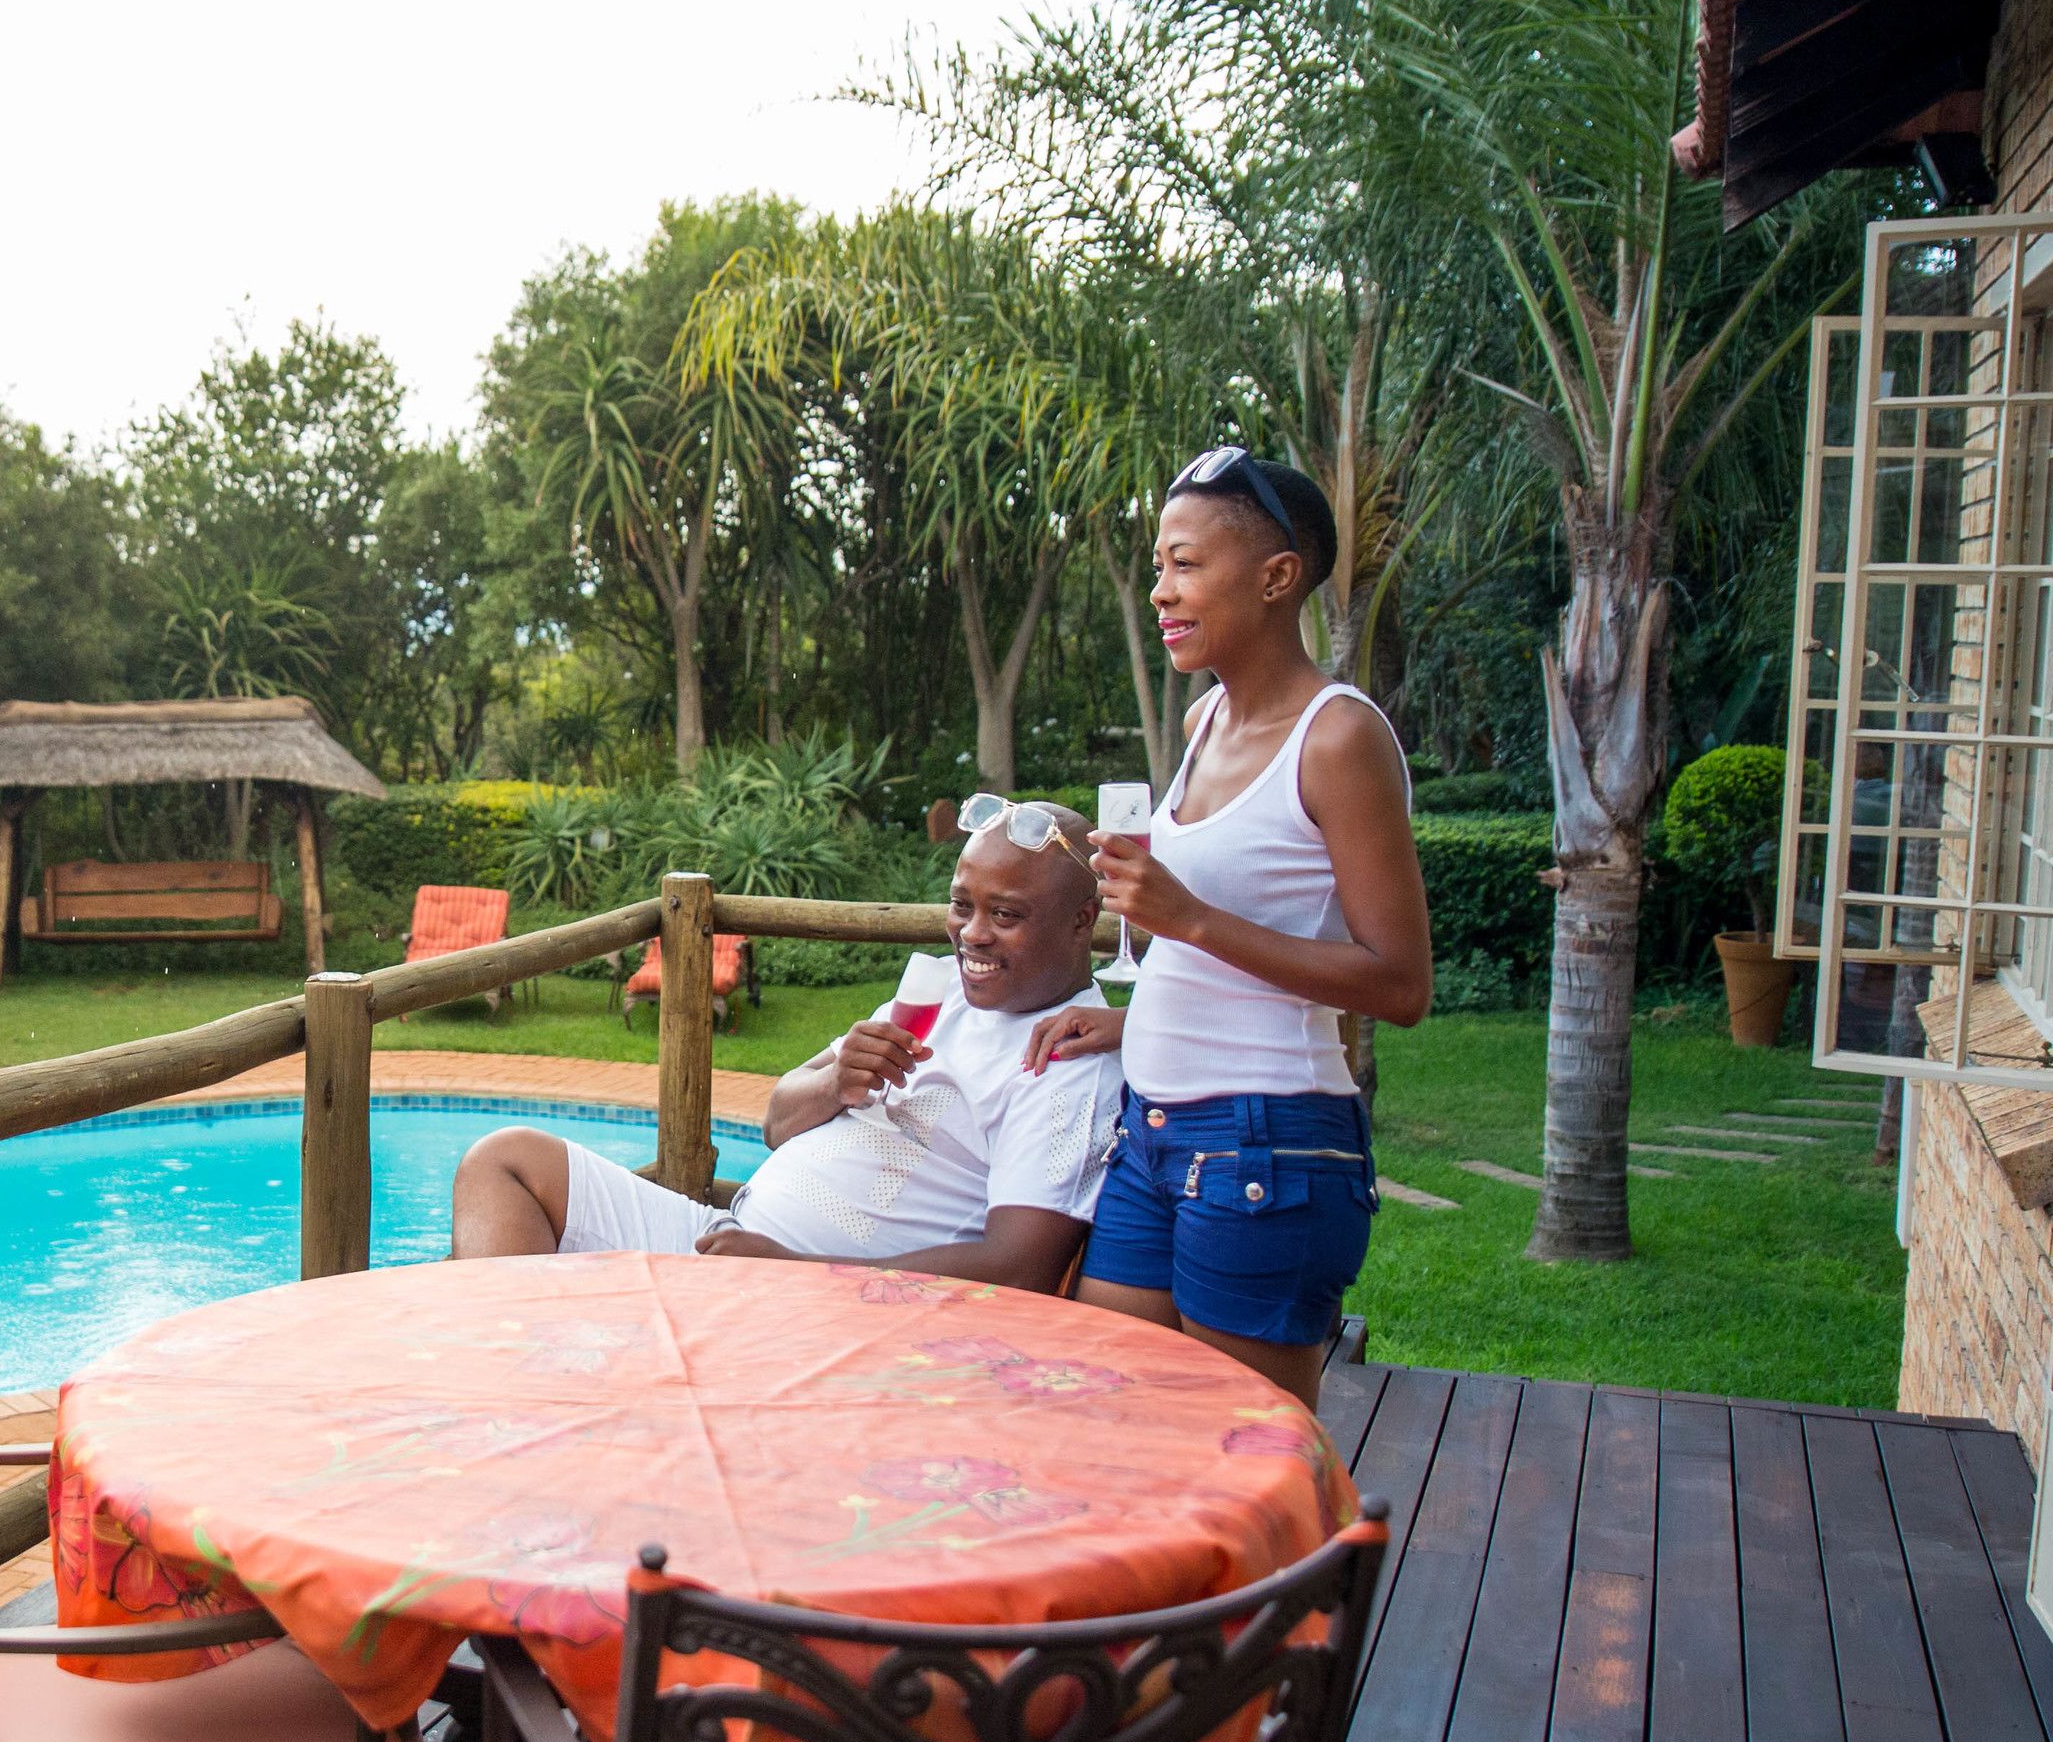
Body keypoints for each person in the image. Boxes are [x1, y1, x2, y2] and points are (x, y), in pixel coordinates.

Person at [1024, 447, 1433, 1405]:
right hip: (1155, 1134)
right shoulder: (1208, 720)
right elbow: (1232, 945)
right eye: (1160, 565)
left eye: (1185, 565)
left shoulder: (1338, 737)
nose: (1161, 591)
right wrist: (1138, 1022)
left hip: (1267, 1145)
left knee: (1243, 1450)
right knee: (1119, 1417)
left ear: (1277, 577)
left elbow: (1400, 984)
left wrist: (1192, 919)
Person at [448, 814, 1123, 1289]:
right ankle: (510, 1370)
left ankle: (505, 1387)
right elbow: (776, 1121)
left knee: (483, 1268)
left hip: (828, 1298)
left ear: (1081, 920)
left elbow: (1021, 1271)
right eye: (960, 905)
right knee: (505, 1163)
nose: (971, 935)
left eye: (1004, 916)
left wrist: (796, 1271)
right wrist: (835, 1084)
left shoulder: (1067, 1056)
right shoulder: (939, 994)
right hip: (731, 1242)